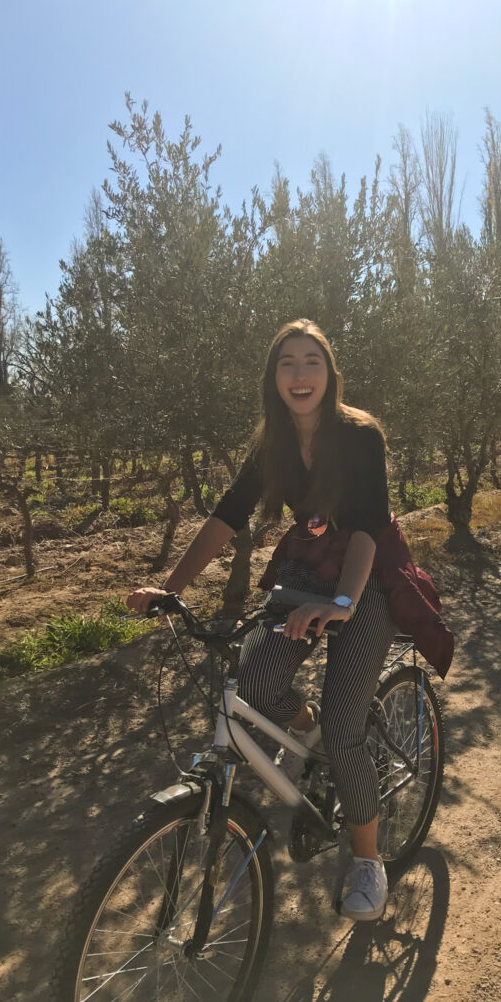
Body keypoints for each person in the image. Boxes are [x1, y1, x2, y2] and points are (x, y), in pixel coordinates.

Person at [127, 318, 427, 921]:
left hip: (364, 576)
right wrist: (171, 587)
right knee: (255, 683)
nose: (299, 374)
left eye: (311, 361)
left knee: (347, 730)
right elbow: (227, 516)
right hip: (312, 566)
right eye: (287, 363)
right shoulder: (272, 446)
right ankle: (308, 730)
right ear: (273, 377)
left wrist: (340, 604)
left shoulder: (360, 436)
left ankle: (367, 861)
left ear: (329, 374)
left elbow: (366, 525)